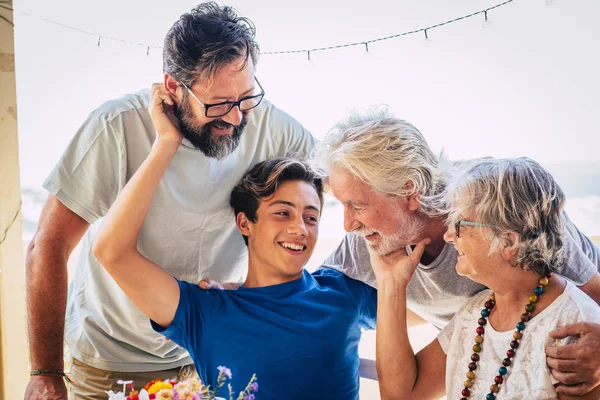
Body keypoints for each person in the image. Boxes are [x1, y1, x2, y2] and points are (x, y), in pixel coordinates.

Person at [24, 3, 314, 399]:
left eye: (245, 97)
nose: (233, 118)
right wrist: (45, 372)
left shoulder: (273, 128)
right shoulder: (115, 127)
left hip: (209, 353)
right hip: (110, 358)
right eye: (217, 104)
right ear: (173, 87)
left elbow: (335, 194)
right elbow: (49, 245)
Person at [92, 85, 377, 398]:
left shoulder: (342, 292)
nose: (300, 228)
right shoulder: (207, 311)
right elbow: (112, 251)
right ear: (246, 223)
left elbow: (433, 309)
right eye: (283, 213)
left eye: (311, 217)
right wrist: (166, 143)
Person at [312, 107, 600, 396]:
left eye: (357, 205)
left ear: (409, 190)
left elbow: (591, 296)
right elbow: (304, 301)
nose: (348, 225)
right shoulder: (373, 243)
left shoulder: (500, 201)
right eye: (342, 204)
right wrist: (390, 287)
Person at [371, 157, 600, 399]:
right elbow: (400, 395)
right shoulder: (475, 313)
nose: (449, 236)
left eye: (459, 225)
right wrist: (391, 285)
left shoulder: (574, 327)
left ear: (508, 242)